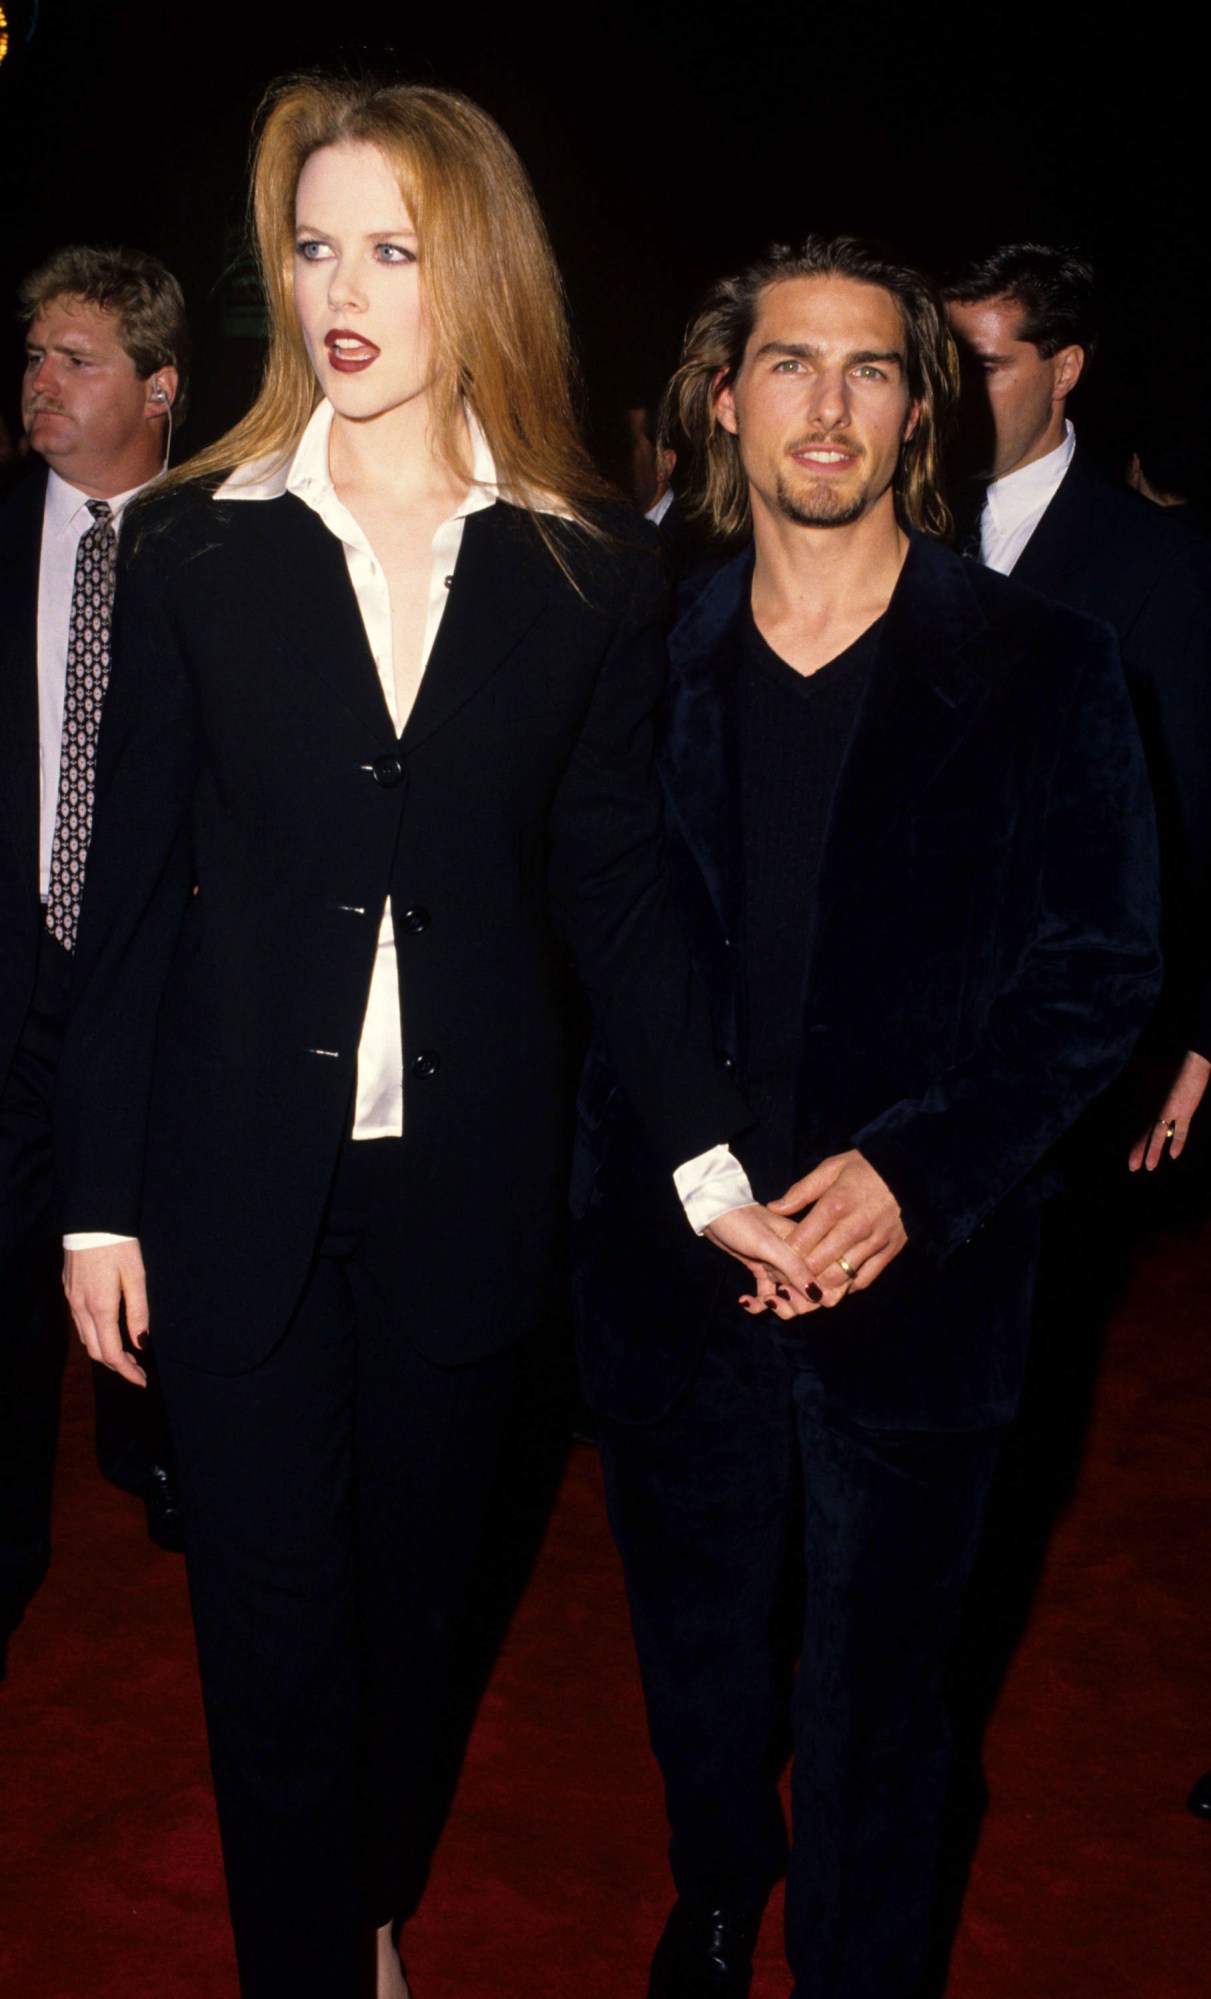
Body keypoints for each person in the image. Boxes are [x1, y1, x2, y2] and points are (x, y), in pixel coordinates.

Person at [55, 76, 811, 1999]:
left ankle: (368, 1892)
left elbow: (621, 892)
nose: (339, 289)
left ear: (470, 264)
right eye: (311, 246)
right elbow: (129, 899)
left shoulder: (579, 567)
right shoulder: (197, 548)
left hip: (463, 1194)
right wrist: (94, 1199)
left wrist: (716, 1162)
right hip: (233, 1191)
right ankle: (317, 1959)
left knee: (411, 1627)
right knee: (271, 1632)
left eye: (389, 245)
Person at [571, 236, 1162, 1999]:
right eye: (788, 364)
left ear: (915, 410)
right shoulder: (630, 651)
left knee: (884, 1694)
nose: (825, 403)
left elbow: (1103, 968)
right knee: (696, 1657)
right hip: (674, 1267)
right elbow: (574, 938)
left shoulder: (1050, 665)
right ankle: (719, 1880)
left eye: (869, 368)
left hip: (926, 1279)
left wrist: (915, 1173)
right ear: (723, 400)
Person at [0, 245, 187, 1684]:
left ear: (161, 386)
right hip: (14, 997)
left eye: (78, 359)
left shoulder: (239, 550)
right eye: (34, 354)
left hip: (178, 1009)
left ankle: (168, 1461)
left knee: (173, 1296)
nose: (40, 382)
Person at [944, 245, 1211, 1170]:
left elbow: (1195, 813)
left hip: (1067, 1038)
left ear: (1064, 370)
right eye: (942, 367)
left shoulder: (1156, 563)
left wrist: (1199, 1037)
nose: (956, 396)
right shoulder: (900, 533)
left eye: (985, 366)